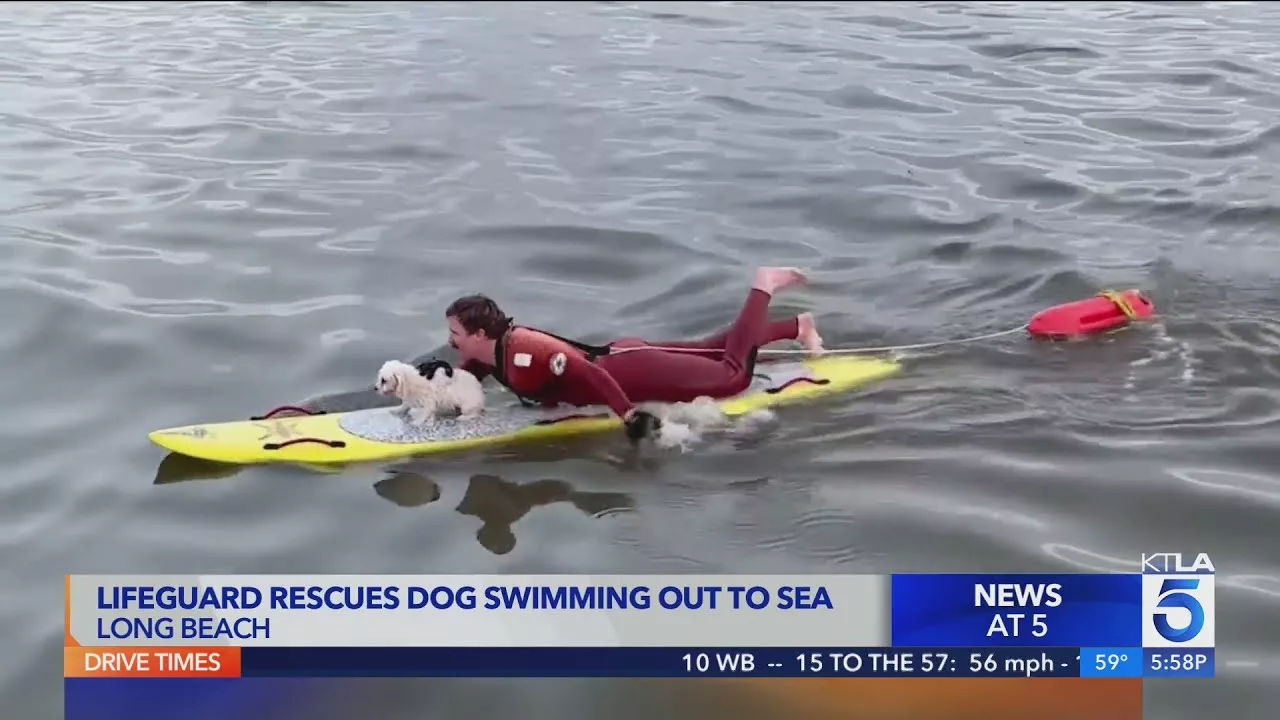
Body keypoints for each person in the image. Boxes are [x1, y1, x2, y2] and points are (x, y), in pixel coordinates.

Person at [441, 267, 824, 442]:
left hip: (634, 373)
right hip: (625, 358)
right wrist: (434, 388)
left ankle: (764, 285)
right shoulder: (488, 353)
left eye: (455, 334)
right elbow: (467, 377)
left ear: (478, 333)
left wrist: (627, 415)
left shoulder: (525, 350)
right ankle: (797, 327)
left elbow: (587, 373)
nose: (450, 339)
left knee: (732, 376)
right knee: (713, 347)